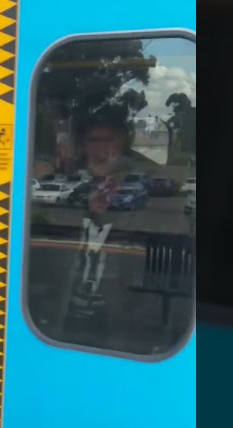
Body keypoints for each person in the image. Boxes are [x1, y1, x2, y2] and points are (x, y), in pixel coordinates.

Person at [59, 107, 134, 342]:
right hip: (65, 318)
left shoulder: (137, 191)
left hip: (119, 323)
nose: (101, 149)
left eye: (108, 141)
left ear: (122, 145)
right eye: (93, 141)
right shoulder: (77, 192)